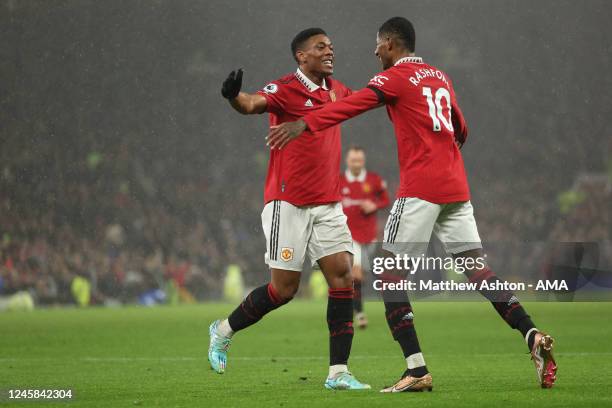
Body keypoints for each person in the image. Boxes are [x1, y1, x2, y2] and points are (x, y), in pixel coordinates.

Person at [267, 17, 557, 392]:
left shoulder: (393, 79)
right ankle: (531, 333)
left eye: (377, 45)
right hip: (457, 188)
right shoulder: (439, 75)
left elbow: (351, 106)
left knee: (388, 274)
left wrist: (306, 124)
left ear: (390, 44)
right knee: (478, 272)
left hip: (421, 189)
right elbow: (461, 128)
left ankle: (416, 370)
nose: (374, 52)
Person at [208, 28, 370, 390]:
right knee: (283, 290)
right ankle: (223, 330)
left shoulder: (337, 90)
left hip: (328, 204)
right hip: (288, 204)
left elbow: (366, 99)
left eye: (330, 45)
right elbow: (250, 104)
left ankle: (338, 372)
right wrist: (233, 97)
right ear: (301, 56)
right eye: (320, 47)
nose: (330, 50)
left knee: (342, 278)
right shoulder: (284, 89)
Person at [340, 146, 389, 328]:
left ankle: (386, 309)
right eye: (353, 160)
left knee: (375, 275)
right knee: (356, 275)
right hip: (349, 236)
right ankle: (360, 314)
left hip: (370, 236)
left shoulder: (373, 180)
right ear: (347, 161)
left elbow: (385, 199)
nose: (356, 164)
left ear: (363, 161)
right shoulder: (339, 181)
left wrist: (374, 204)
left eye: (359, 160)